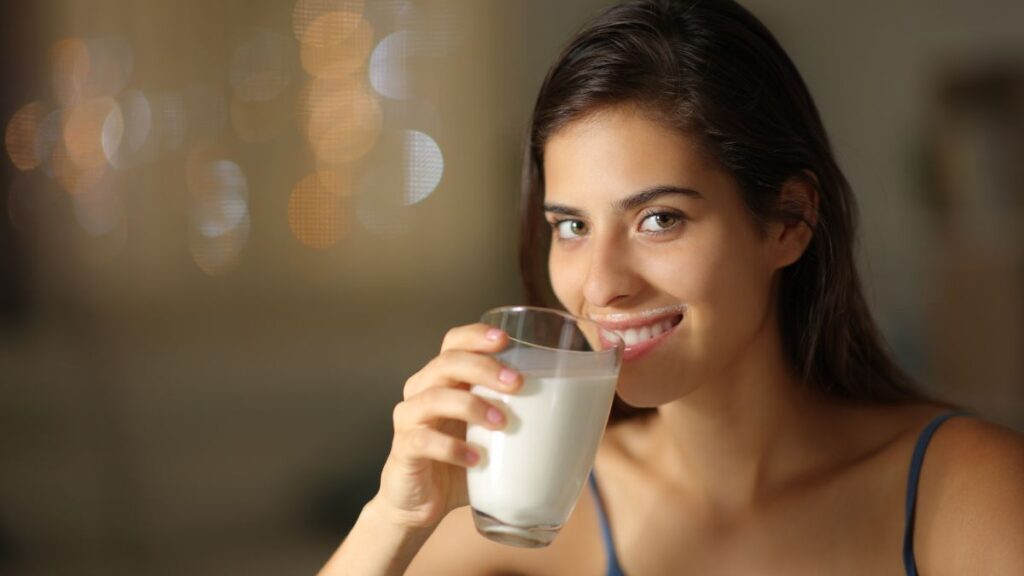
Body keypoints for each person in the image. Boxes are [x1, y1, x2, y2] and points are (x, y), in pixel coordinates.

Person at [319, 0, 1024, 574]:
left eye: (660, 219)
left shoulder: (962, 494)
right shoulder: (534, 523)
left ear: (789, 221)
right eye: (571, 226)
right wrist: (394, 519)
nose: (600, 284)